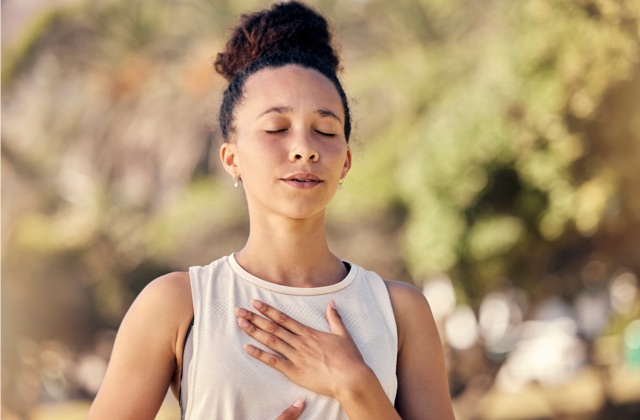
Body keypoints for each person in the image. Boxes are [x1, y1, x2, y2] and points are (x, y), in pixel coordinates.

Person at [87, 2, 454, 419]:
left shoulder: (400, 311)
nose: (305, 148)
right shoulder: (178, 305)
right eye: (276, 128)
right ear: (231, 158)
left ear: (346, 162)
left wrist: (356, 385)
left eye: (326, 130)